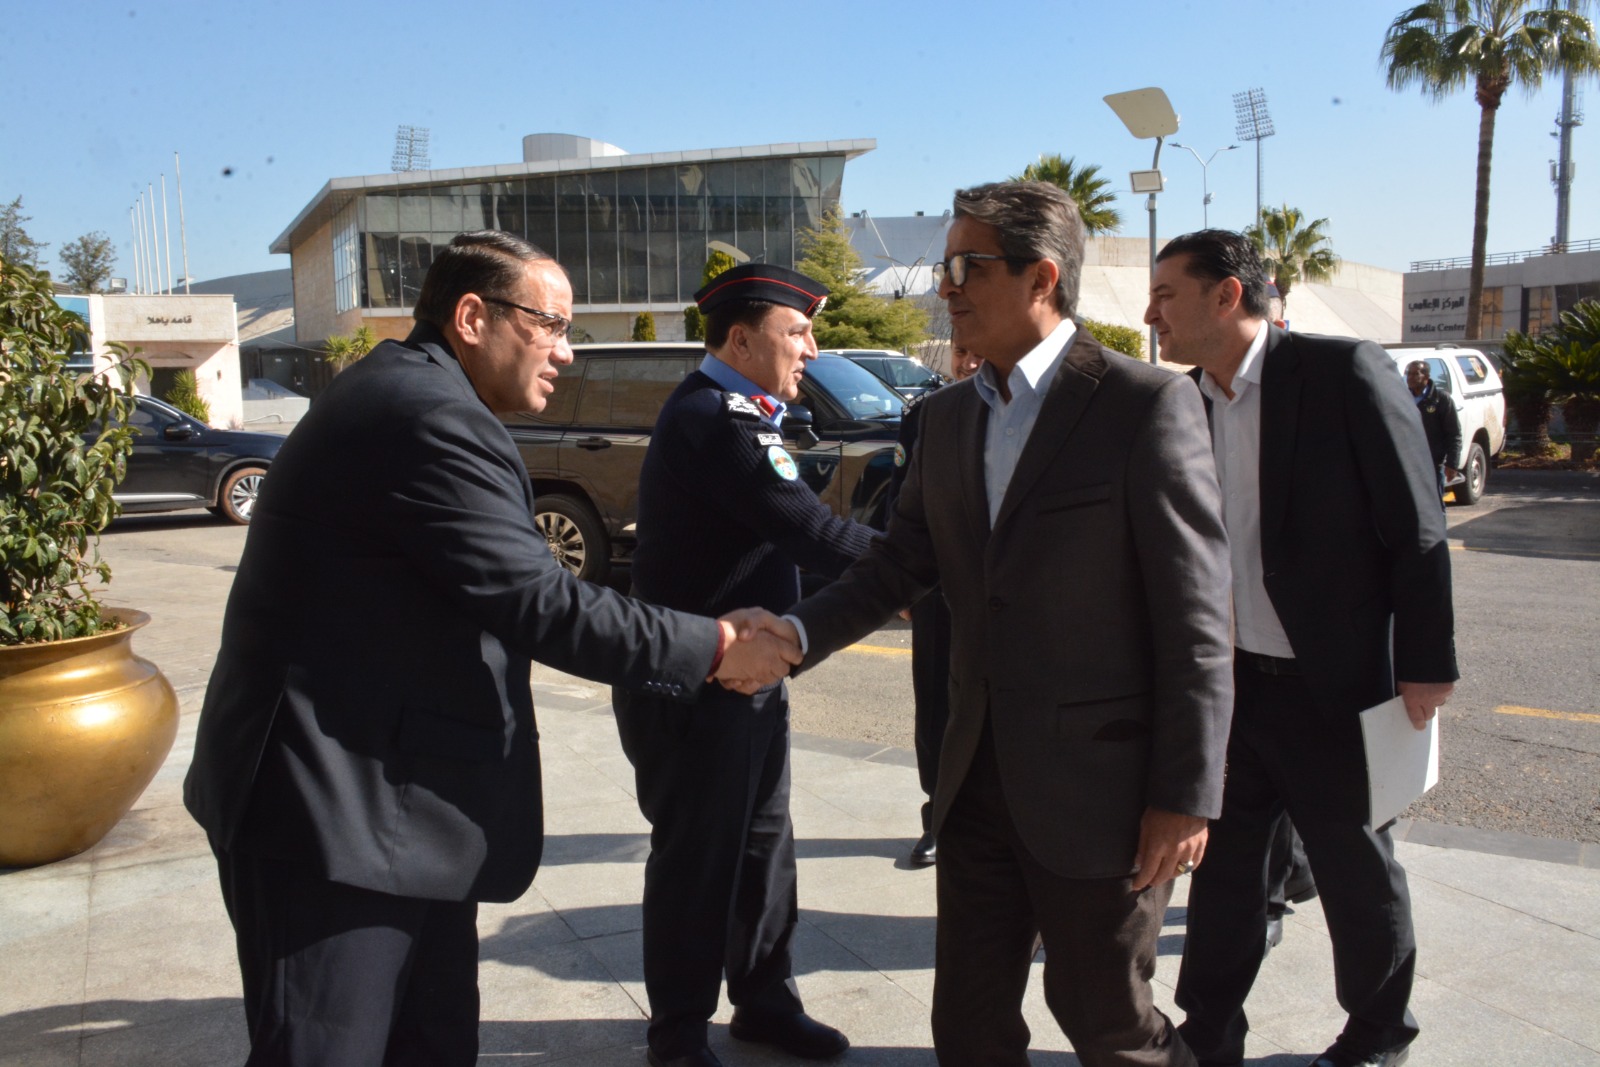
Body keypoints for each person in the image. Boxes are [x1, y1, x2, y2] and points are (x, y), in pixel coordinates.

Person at [182, 231, 800, 1067]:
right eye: (552, 325)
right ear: (473, 317)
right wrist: (717, 643)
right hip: (332, 820)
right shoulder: (426, 414)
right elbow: (538, 600)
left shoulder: (418, 394)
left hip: (396, 811)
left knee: (434, 1043)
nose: (567, 351)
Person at [779, 181, 1236, 1066]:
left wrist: (1186, 794)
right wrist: (792, 637)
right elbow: (897, 566)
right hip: (976, 782)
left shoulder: (1143, 403)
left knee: (1108, 1022)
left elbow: (1196, 618)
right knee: (969, 1025)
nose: (945, 286)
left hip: (1102, 796)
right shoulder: (946, 417)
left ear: (1042, 277)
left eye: (968, 266)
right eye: (945, 266)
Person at [1147, 229, 1458, 1067]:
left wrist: (1425, 663)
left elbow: (1417, 524)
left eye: (1166, 295)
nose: (1150, 315)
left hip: (1335, 685)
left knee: (1356, 868)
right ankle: (1209, 1029)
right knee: (1226, 872)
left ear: (1227, 296)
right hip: (1230, 686)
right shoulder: (1182, 400)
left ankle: (1379, 1032)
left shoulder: (1342, 373)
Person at [612, 263, 878, 1067]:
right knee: (699, 860)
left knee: (763, 846)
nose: (812, 349)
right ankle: (678, 1031)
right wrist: (932, 566)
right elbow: (814, 535)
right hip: (695, 683)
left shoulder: (740, 413)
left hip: (746, 678)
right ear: (740, 340)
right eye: (797, 332)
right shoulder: (717, 418)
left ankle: (765, 1002)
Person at [882, 343, 984, 867]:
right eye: (961, 353)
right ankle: (937, 817)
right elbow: (900, 499)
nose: (969, 363)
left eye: (978, 353)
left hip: (1004, 594)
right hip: (938, 589)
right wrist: (901, 582)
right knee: (936, 705)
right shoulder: (926, 414)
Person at [1405, 359, 1463, 503]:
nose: (1410, 377)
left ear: (1426, 376)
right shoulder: (1403, 398)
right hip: (1409, 462)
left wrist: (1452, 464)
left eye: (1415, 374)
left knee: (1435, 504)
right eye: (1408, 374)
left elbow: (1453, 434)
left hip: (1432, 462)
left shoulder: (1441, 400)